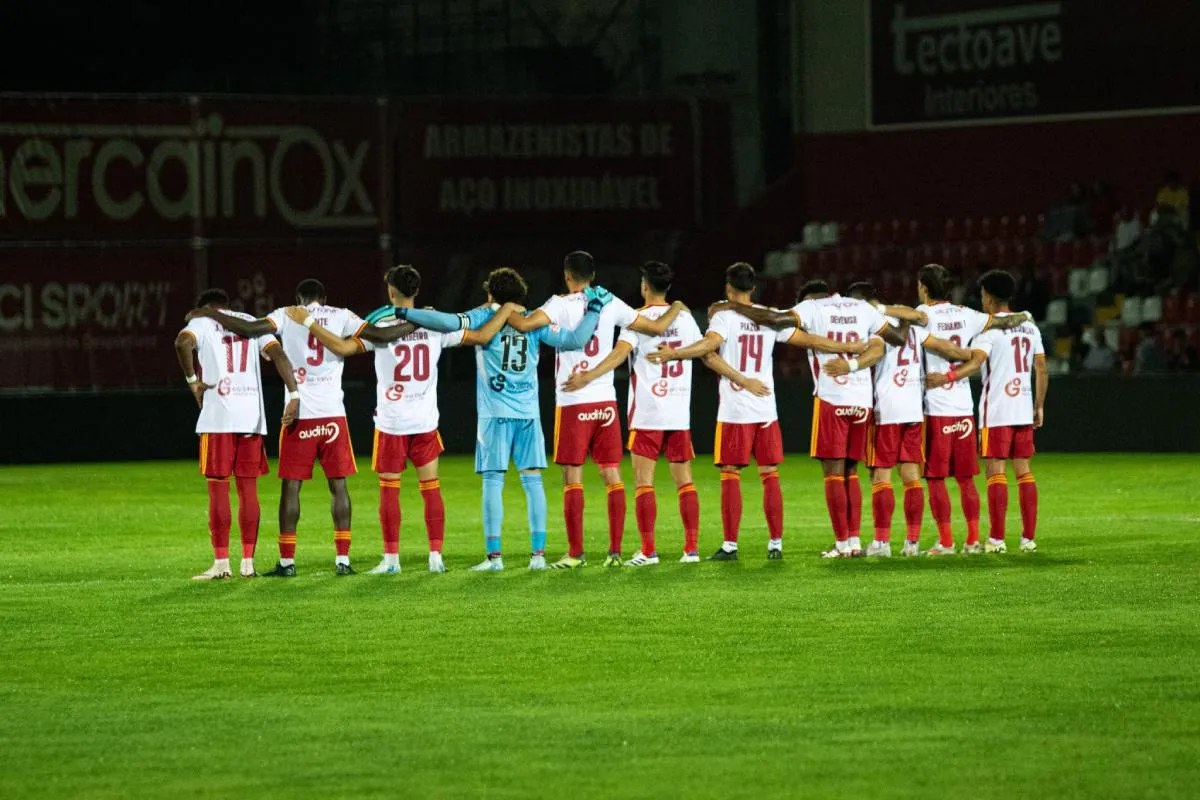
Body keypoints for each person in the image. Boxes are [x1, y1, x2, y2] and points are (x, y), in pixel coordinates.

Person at [290, 266, 517, 574]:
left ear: (391, 292)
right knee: (431, 488)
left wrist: (309, 323)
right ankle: (435, 557)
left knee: (389, 490)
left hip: (392, 422)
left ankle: (392, 560)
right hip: (424, 421)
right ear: (416, 291)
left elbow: (342, 347)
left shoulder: (380, 325)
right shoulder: (435, 325)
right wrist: (499, 309)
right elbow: (480, 335)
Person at [390, 268, 610, 571]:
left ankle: (494, 558)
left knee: (493, 481)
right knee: (533, 482)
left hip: (495, 414)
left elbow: (449, 322)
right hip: (529, 413)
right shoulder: (533, 319)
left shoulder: (485, 317)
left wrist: (403, 311)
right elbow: (575, 340)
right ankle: (538, 557)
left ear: (490, 294)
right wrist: (595, 309)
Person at [649, 263, 861, 560]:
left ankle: (730, 546)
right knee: (770, 474)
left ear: (728, 288)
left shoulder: (724, 316)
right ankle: (775, 543)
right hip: (766, 408)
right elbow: (808, 339)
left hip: (736, 408)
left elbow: (708, 347)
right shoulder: (767, 315)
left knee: (730, 473)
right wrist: (849, 347)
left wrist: (675, 353)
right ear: (754, 288)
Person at [503, 251, 685, 568]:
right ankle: (614, 552)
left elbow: (523, 324)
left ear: (567, 276)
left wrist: (503, 308)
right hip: (605, 402)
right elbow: (654, 328)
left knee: (572, 477)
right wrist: (678, 308)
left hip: (574, 401)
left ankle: (576, 554)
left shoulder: (558, 304)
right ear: (593, 275)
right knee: (611, 474)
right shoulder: (610, 302)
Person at [189, 279, 375, 577]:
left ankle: (287, 562)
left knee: (291, 487)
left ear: (298, 298)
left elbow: (251, 330)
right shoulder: (342, 315)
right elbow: (373, 334)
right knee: (338, 486)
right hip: (333, 415)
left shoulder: (287, 313)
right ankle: (343, 559)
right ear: (323, 298)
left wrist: (211, 315)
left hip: (298, 414)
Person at [560, 261, 735, 565]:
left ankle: (648, 551)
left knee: (644, 482)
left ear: (644, 286)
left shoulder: (636, 319)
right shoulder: (683, 318)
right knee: (685, 481)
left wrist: (588, 376)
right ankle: (690, 549)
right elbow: (704, 351)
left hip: (648, 412)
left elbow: (618, 355)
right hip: (679, 411)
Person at [883, 264, 1032, 555]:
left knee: (936, 477)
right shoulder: (969, 315)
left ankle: (946, 542)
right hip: (964, 407)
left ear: (924, 288)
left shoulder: (922, 315)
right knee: (966, 478)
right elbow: (1002, 322)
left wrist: (878, 309)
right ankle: (974, 540)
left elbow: (902, 328)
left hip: (934, 405)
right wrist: (1025, 316)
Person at [175, 288, 300, 580]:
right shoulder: (250, 320)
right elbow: (278, 354)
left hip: (218, 417)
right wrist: (294, 393)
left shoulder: (201, 322)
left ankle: (221, 564)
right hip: (251, 418)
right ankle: (247, 563)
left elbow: (182, 342)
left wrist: (193, 380)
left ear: (204, 307)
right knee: (248, 490)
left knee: (218, 487)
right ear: (226, 305)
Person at [841, 282, 973, 557]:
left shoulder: (874, 323)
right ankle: (911, 543)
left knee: (881, 475)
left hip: (886, 407)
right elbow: (941, 345)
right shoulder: (911, 324)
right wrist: (966, 356)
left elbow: (871, 353)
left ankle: (881, 542)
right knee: (911, 475)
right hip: (914, 408)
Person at [927, 270, 1047, 553]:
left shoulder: (989, 331)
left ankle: (996, 539)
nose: (981, 300)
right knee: (1025, 473)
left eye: (982, 295)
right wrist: (1039, 405)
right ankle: (1028, 539)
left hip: (997, 410)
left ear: (990, 298)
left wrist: (947, 378)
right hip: (1023, 407)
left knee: (995, 472)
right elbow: (1041, 367)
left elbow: (975, 364)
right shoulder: (1030, 325)